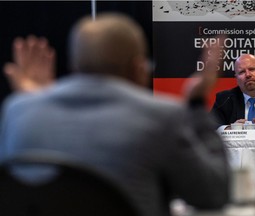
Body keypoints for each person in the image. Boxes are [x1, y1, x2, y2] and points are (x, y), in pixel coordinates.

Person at [0, 13, 229, 216]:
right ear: (139, 68)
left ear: (74, 65)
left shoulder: (18, 108)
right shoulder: (162, 115)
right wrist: (197, 103)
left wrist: (34, 102)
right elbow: (213, 194)